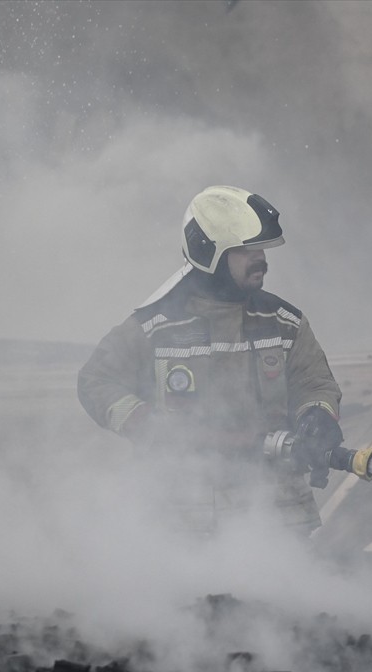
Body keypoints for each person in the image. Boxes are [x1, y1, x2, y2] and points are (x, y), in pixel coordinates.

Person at [77, 186, 343, 535]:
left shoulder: (283, 323)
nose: (260, 258)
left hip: (275, 517)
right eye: (246, 250)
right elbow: (96, 381)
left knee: (277, 592)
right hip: (180, 517)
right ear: (210, 254)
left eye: (260, 247)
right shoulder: (155, 327)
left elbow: (315, 384)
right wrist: (149, 425)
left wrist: (318, 416)